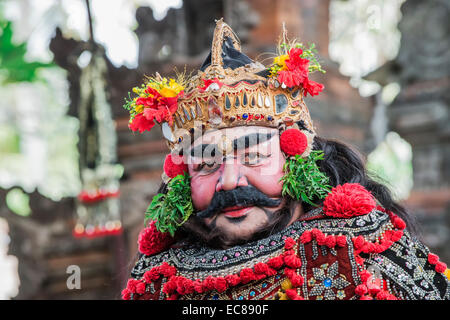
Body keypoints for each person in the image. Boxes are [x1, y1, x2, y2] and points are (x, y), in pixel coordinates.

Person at [121, 19, 449, 300]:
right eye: (206, 165)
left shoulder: (361, 250)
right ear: (181, 177)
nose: (231, 180)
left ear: (294, 157)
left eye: (253, 156)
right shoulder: (160, 276)